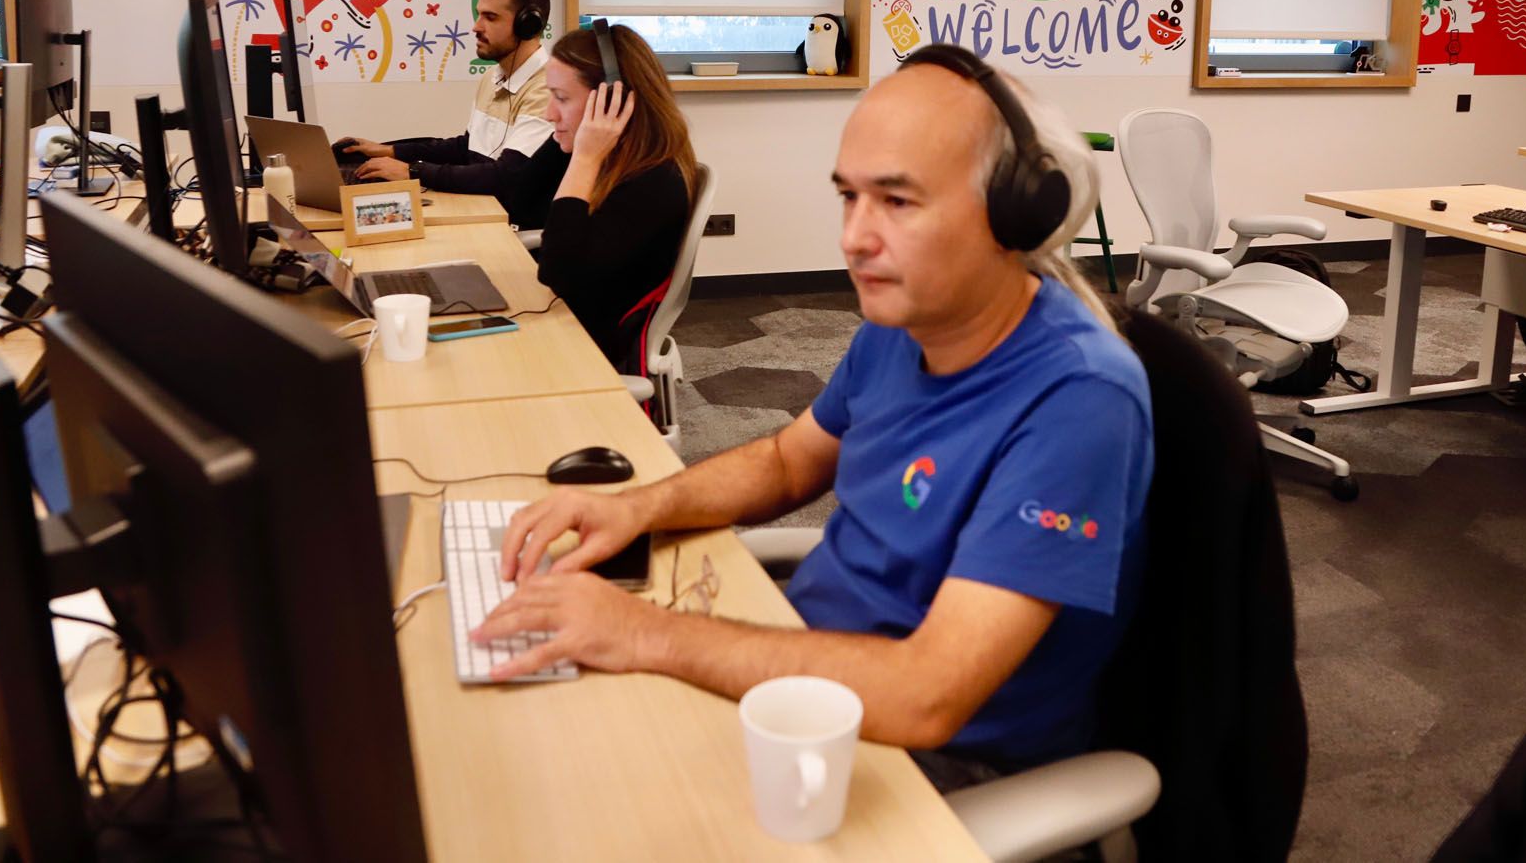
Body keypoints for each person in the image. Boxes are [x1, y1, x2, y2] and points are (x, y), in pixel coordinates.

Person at [471, 46, 1153, 779]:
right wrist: (639, 509)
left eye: (896, 200)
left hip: (927, 754)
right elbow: (787, 459)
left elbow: (929, 694)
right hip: (809, 666)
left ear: (1014, 212)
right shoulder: (901, 324)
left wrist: (648, 634)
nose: (854, 238)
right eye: (848, 196)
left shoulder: (1080, 398)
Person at [525, 22, 697, 374]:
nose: (548, 113)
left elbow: (558, 272)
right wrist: (577, 144)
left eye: (561, 98)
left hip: (585, 352)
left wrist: (585, 157)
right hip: (563, 324)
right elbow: (519, 196)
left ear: (611, 99)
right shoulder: (605, 153)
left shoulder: (654, 182)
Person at [339, 0, 554, 193]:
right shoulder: (492, 78)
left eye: (490, 17)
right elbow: (466, 149)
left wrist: (413, 172)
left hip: (514, 225)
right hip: (481, 208)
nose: (476, 26)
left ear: (527, 25)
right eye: (478, 14)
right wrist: (388, 150)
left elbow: (506, 176)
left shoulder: (548, 90)